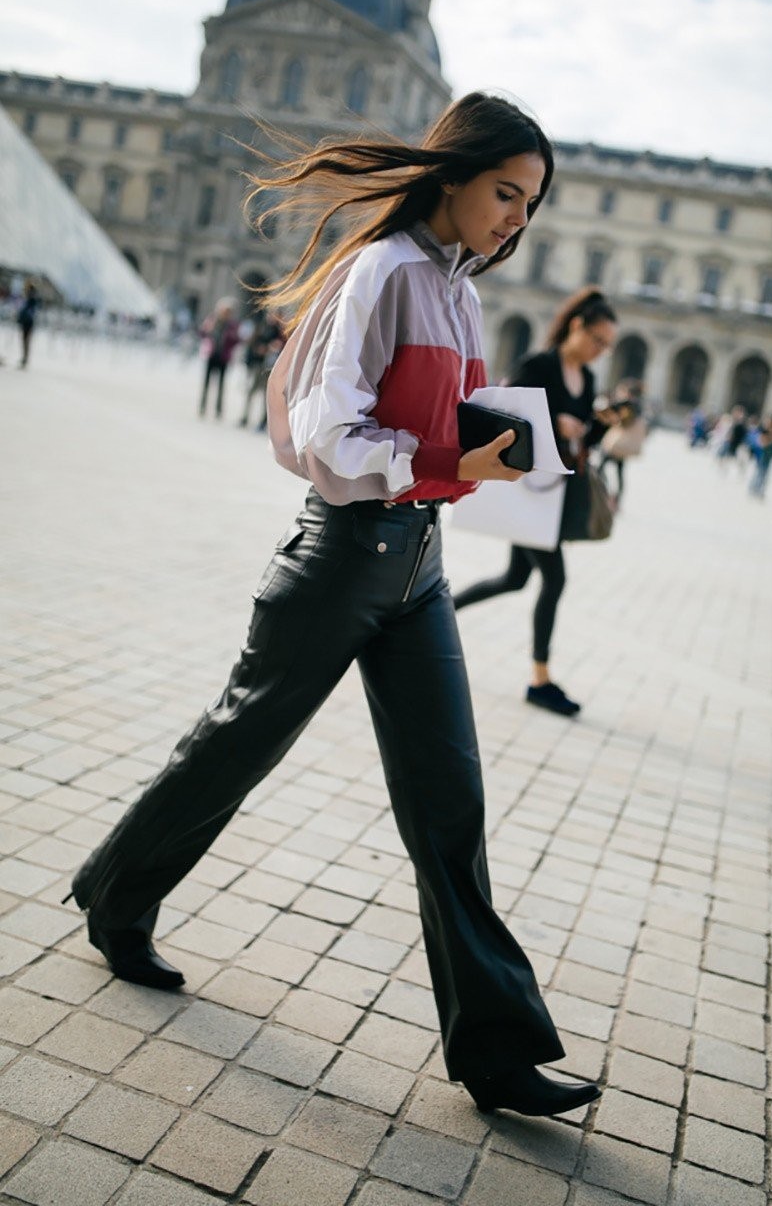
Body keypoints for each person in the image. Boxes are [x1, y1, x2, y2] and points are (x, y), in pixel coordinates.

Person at [64, 92, 600, 1119]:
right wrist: (449, 453)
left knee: (450, 805)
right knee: (236, 743)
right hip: (342, 558)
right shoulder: (382, 271)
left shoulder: (458, 288)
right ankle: (117, 895)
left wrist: (511, 451)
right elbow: (325, 434)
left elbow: (450, 429)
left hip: (418, 569)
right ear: (451, 174)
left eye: (528, 205)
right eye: (505, 193)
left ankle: (494, 1050)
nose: (514, 220)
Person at [453, 287, 617, 717]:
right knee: (554, 579)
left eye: (607, 346)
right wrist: (551, 424)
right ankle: (540, 680)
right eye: (598, 340)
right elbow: (505, 419)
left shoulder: (590, 380)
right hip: (525, 489)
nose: (601, 351)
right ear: (576, 326)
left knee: (515, 578)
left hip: (551, 496)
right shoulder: (539, 365)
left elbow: (582, 440)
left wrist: (597, 425)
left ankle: (434, 614)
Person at [198, 297, 241, 418]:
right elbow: (202, 333)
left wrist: (231, 337)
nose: (225, 313)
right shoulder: (212, 320)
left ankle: (218, 409)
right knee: (206, 383)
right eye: (224, 310)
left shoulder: (232, 325)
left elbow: (237, 340)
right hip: (211, 355)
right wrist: (207, 330)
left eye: (228, 311)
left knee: (221, 385)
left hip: (223, 357)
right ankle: (202, 406)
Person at [239, 314, 283, 429]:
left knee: (266, 394)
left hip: (269, 367)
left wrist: (269, 349)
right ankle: (245, 417)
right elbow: (252, 344)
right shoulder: (261, 327)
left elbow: (281, 347)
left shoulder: (280, 331)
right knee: (250, 391)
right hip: (258, 364)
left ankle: (263, 421)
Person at [748, 414, 772, 498]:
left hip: (769, 455)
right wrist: (771, 439)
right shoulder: (765, 430)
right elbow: (762, 442)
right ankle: (755, 488)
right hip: (762, 454)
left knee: (764, 473)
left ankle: (757, 489)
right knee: (760, 472)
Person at [17, 279, 40, 369]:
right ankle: (24, 359)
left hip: (28, 323)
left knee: (26, 341)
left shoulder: (31, 300)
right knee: (25, 341)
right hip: (27, 323)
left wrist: (23, 317)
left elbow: (30, 312)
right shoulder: (29, 299)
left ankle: (25, 359)